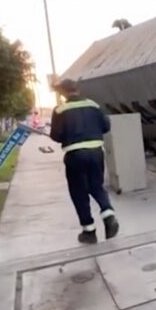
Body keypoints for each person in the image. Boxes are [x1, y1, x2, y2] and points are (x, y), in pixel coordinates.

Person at [50, 79, 119, 244]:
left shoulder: (60, 110)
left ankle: (89, 231)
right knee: (96, 186)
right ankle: (108, 215)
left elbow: (56, 136)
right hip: (96, 152)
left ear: (63, 92)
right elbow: (106, 126)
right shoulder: (93, 105)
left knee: (79, 192)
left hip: (75, 155)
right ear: (77, 90)